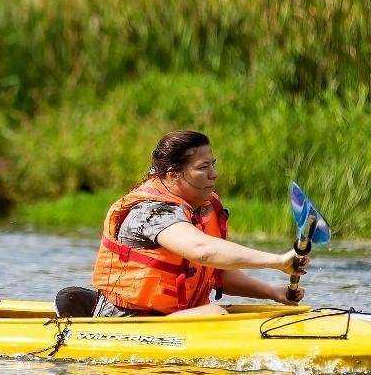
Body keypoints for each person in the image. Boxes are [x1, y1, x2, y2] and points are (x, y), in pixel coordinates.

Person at [57, 130, 309, 318]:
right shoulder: (150, 211)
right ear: (172, 174)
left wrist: (272, 293)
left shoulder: (201, 208)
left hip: (175, 317)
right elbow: (203, 250)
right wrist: (276, 261)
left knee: (217, 313)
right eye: (202, 167)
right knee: (215, 315)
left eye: (213, 164)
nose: (214, 174)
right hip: (127, 322)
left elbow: (216, 273)